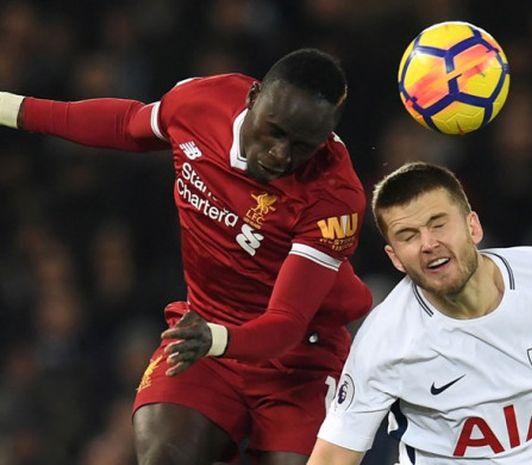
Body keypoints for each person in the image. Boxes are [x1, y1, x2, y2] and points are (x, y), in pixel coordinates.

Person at [0, 48, 373, 465]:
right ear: (252, 98)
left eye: (303, 145)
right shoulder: (201, 103)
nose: (281, 154)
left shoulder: (335, 195)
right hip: (204, 336)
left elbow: (286, 323)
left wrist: (214, 338)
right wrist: (10, 107)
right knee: (164, 455)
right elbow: (126, 124)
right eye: (274, 132)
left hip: (300, 361)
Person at [308, 162, 532, 465]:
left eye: (438, 224)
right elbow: (333, 456)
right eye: (408, 237)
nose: (428, 244)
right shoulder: (386, 340)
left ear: (473, 227)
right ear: (396, 259)